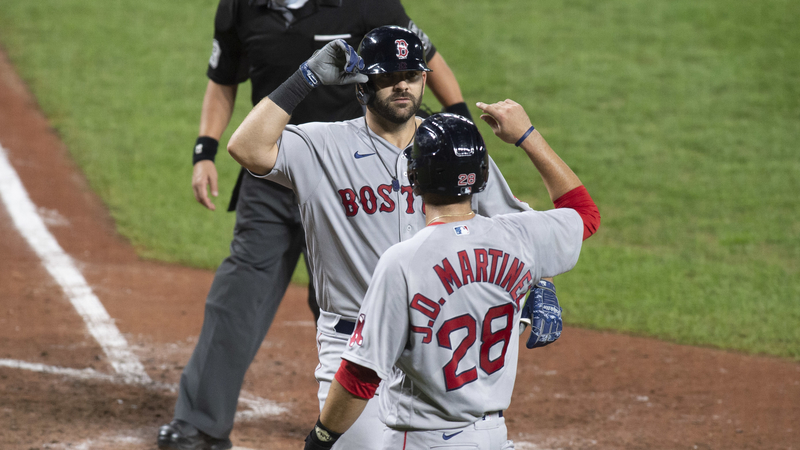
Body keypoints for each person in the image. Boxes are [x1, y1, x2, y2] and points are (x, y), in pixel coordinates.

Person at [227, 26, 565, 449]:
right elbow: (246, 147)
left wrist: (543, 283)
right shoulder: (323, 145)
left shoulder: (448, 148)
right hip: (353, 344)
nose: (402, 85)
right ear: (362, 84)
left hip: (434, 348)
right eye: (388, 76)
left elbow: (519, 228)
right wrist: (306, 78)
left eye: (412, 75)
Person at [159, 1, 473, 449]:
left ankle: (360, 416)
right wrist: (204, 150)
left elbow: (425, 61)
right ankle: (200, 423)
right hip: (274, 170)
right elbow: (223, 79)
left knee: (354, 299)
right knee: (238, 295)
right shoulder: (241, 6)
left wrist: (459, 130)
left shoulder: (369, 3)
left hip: (352, 174)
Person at [299, 108, 601, 450]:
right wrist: (526, 135)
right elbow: (585, 212)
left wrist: (321, 438)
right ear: (482, 176)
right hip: (492, 436)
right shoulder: (521, 236)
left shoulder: (403, 261)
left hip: (424, 441)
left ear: (413, 177)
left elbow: (360, 376)